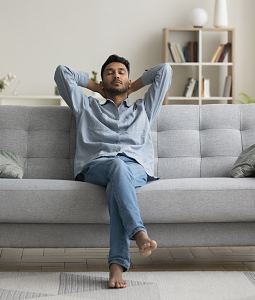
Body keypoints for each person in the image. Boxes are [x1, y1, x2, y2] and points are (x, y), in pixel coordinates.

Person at [54, 54, 172, 288]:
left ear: (128, 80)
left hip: (135, 169)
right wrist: (94, 86)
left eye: (121, 72)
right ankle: (138, 233)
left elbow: (165, 70)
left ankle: (116, 267)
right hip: (97, 166)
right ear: (103, 82)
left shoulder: (144, 109)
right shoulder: (86, 106)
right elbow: (61, 72)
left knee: (116, 183)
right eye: (110, 72)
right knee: (116, 166)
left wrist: (133, 85)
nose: (116, 75)